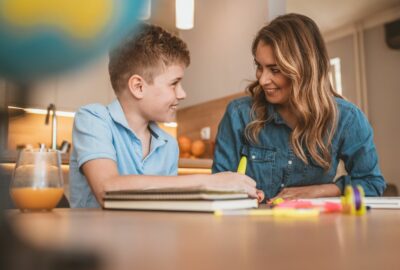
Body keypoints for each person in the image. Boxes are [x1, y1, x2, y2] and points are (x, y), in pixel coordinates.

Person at [69, 24, 258, 208]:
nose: (182, 93)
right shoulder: (93, 119)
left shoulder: (169, 145)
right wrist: (208, 182)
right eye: (174, 83)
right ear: (138, 87)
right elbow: (106, 189)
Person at [212, 14, 386, 201]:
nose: (262, 80)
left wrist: (320, 190)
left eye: (275, 69)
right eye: (259, 66)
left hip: (315, 228)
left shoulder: (347, 119)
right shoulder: (239, 115)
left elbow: (372, 184)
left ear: (305, 70)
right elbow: (217, 187)